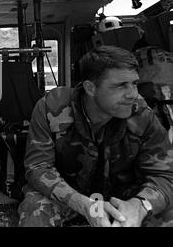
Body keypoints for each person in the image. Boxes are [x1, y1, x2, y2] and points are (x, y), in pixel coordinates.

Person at [18, 45, 173, 227]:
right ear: (90, 88)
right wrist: (83, 205)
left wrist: (139, 205)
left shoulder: (142, 114)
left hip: (122, 197)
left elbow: (164, 175)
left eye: (134, 84)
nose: (133, 94)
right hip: (69, 194)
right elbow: (38, 167)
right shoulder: (52, 108)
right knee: (34, 208)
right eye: (121, 85)